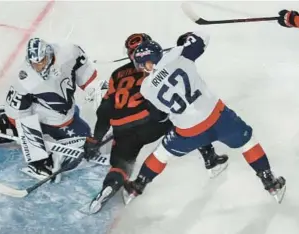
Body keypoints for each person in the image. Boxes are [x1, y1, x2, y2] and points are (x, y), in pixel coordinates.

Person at [122, 32, 286, 205]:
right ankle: (270, 182)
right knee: (248, 143)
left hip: (188, 131)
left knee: (162, 154)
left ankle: (136, 187)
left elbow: (160, 116)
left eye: (142, 65)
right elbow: (203, 38)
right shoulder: (179, 56)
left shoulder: (146, 89)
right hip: (218, 117)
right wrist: (185, 40)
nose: (142, 69)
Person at [83, 33, 228, 214]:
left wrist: (95, 140)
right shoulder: (158, 67)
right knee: (186, 118)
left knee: (120, 165)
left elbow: (104, 110)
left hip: (121, 128)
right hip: (150, 122)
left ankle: (110, 187)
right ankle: (211, 160)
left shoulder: (116, 74)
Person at [0, 37, 98, 182]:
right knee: (83, 140)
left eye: (41, 62)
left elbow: (85, 73)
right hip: (43, 118)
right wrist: (36, 155)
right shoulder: (26, 78)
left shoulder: (69, 52)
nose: (38, 67)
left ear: (48, 54)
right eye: (34, 63)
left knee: (86, 136)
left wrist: (95, 89)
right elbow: (16, 113)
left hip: (67, 114)